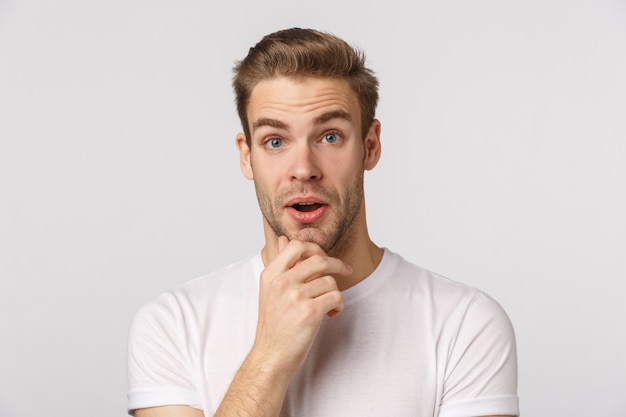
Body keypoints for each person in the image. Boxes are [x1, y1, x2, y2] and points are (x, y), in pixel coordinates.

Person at [126, 27, 519, 417]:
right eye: (275, 141)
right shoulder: (171, 326)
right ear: (247, 157)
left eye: (330, 137)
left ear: (370, 146)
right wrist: (269, 357)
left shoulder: (465, 324)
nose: (303, 169)